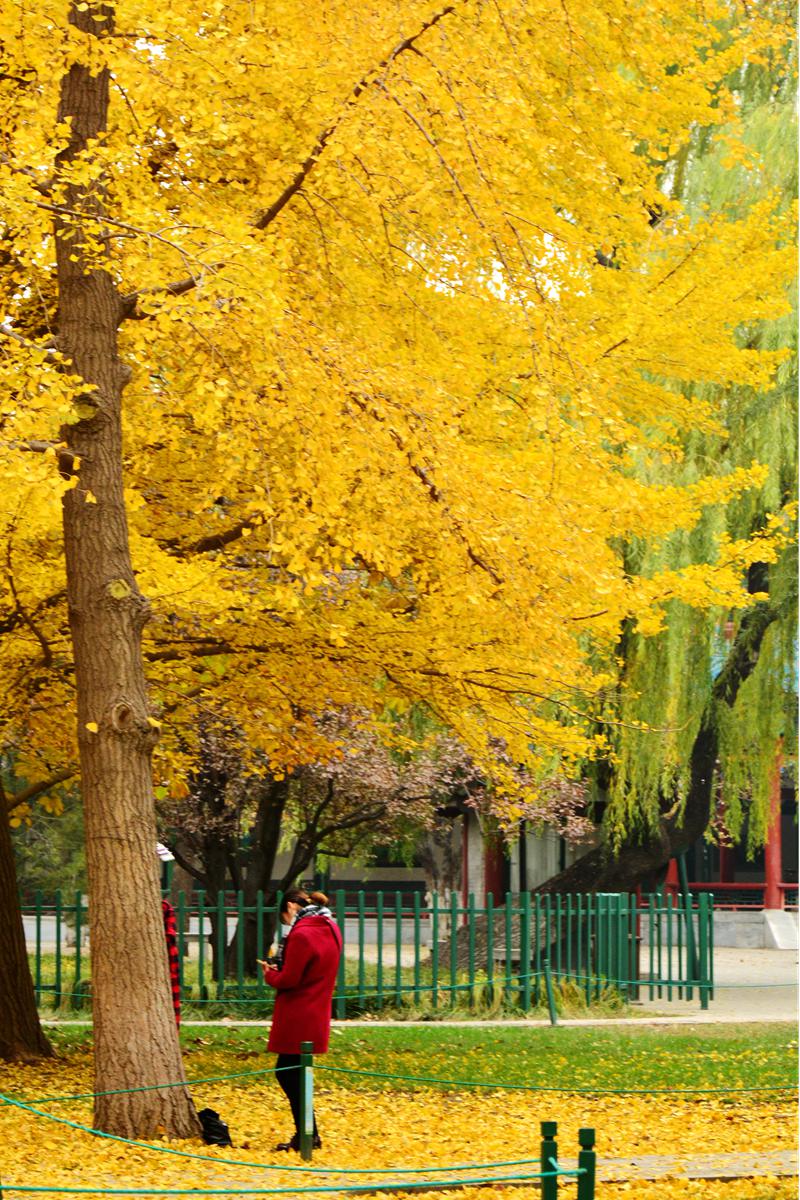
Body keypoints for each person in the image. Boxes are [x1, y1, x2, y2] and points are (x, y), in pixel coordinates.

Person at [259, 889, 342, 1152]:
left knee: (287, 1074)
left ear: (292, 906)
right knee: (295, 1074)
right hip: (317, 1008)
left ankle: (308, 1135)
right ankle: (308, 1133)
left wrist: (269, 974)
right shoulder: (330, 926)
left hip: (297, 1011)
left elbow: (289, 979)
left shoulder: (302, 934)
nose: (285, 922)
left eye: (284, 916)